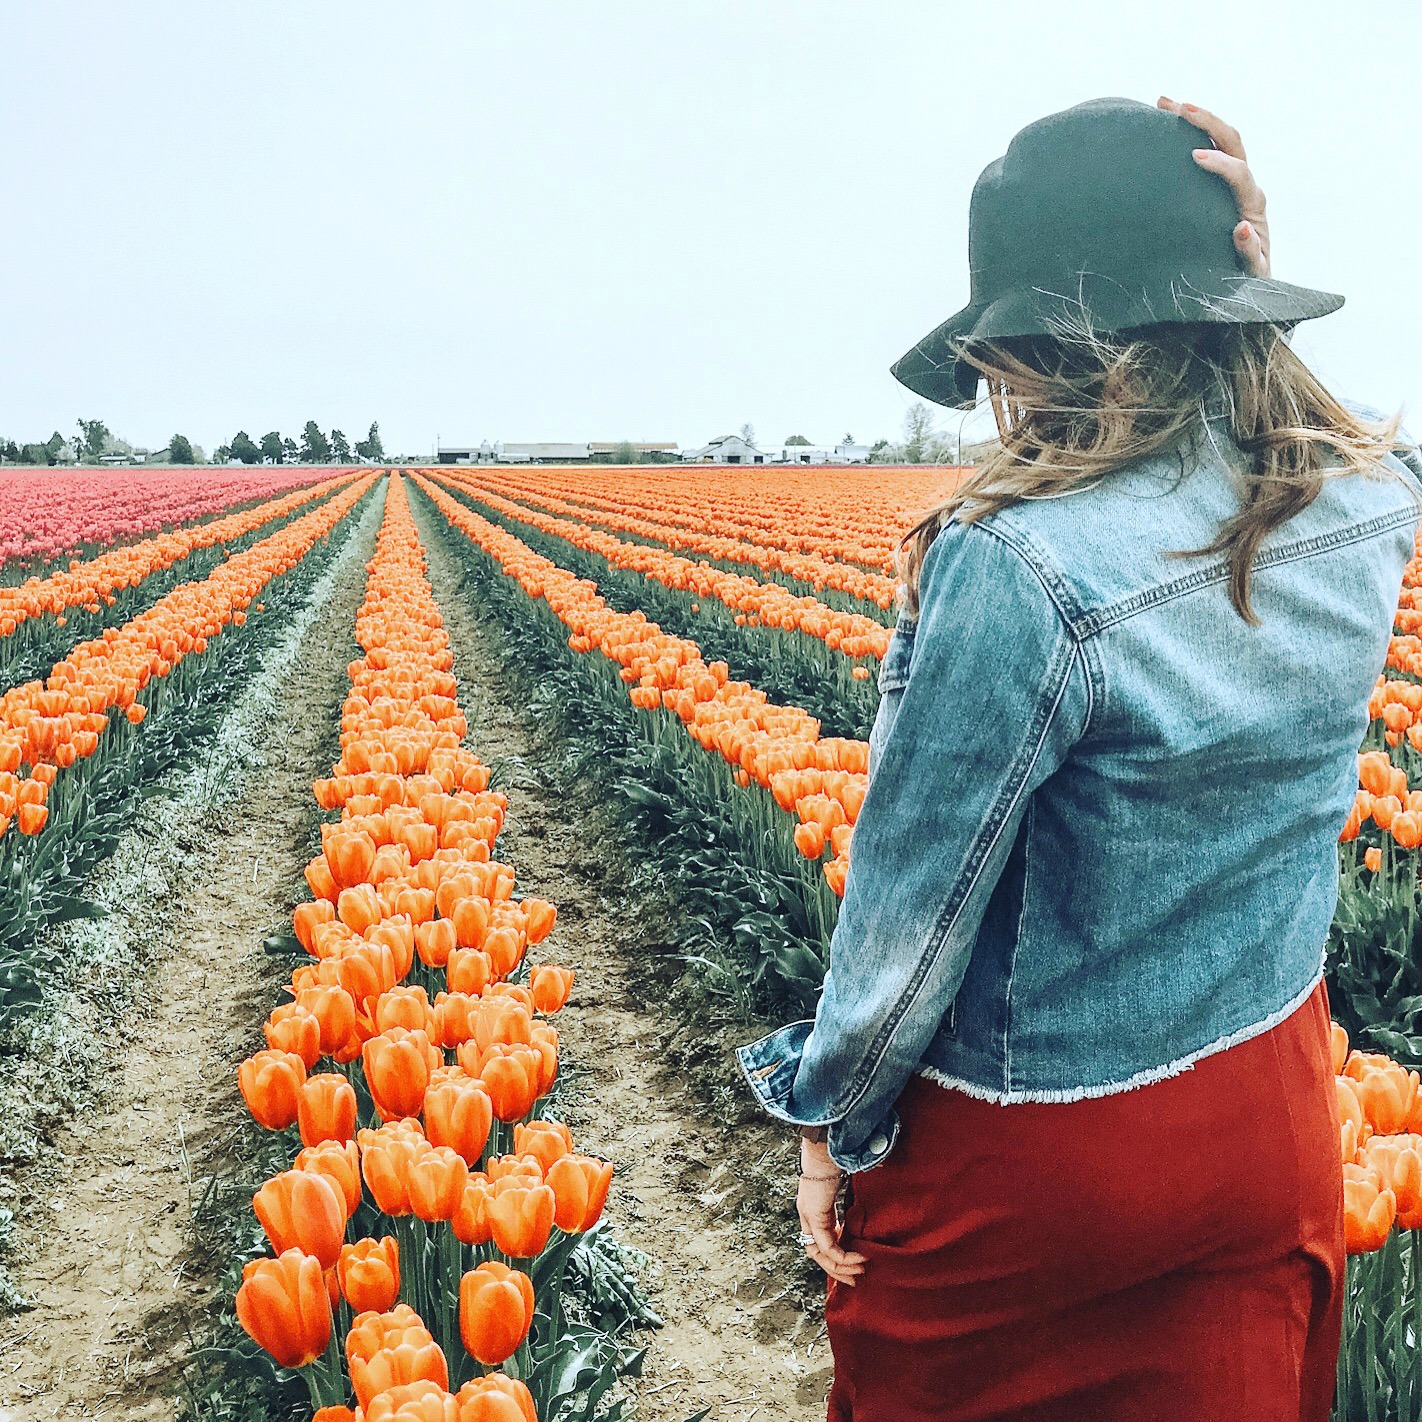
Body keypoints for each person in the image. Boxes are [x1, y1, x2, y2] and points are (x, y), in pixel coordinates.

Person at [737, 95, 1422, 1421]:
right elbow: (1328, 434)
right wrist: (1243, 281)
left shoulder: (1013, 563)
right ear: (1229, 295)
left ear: (1039, 347)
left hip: (1038, 1156)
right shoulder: (1368, 498)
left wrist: (830, 1115)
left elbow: (910, 911)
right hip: (1264, 1102)